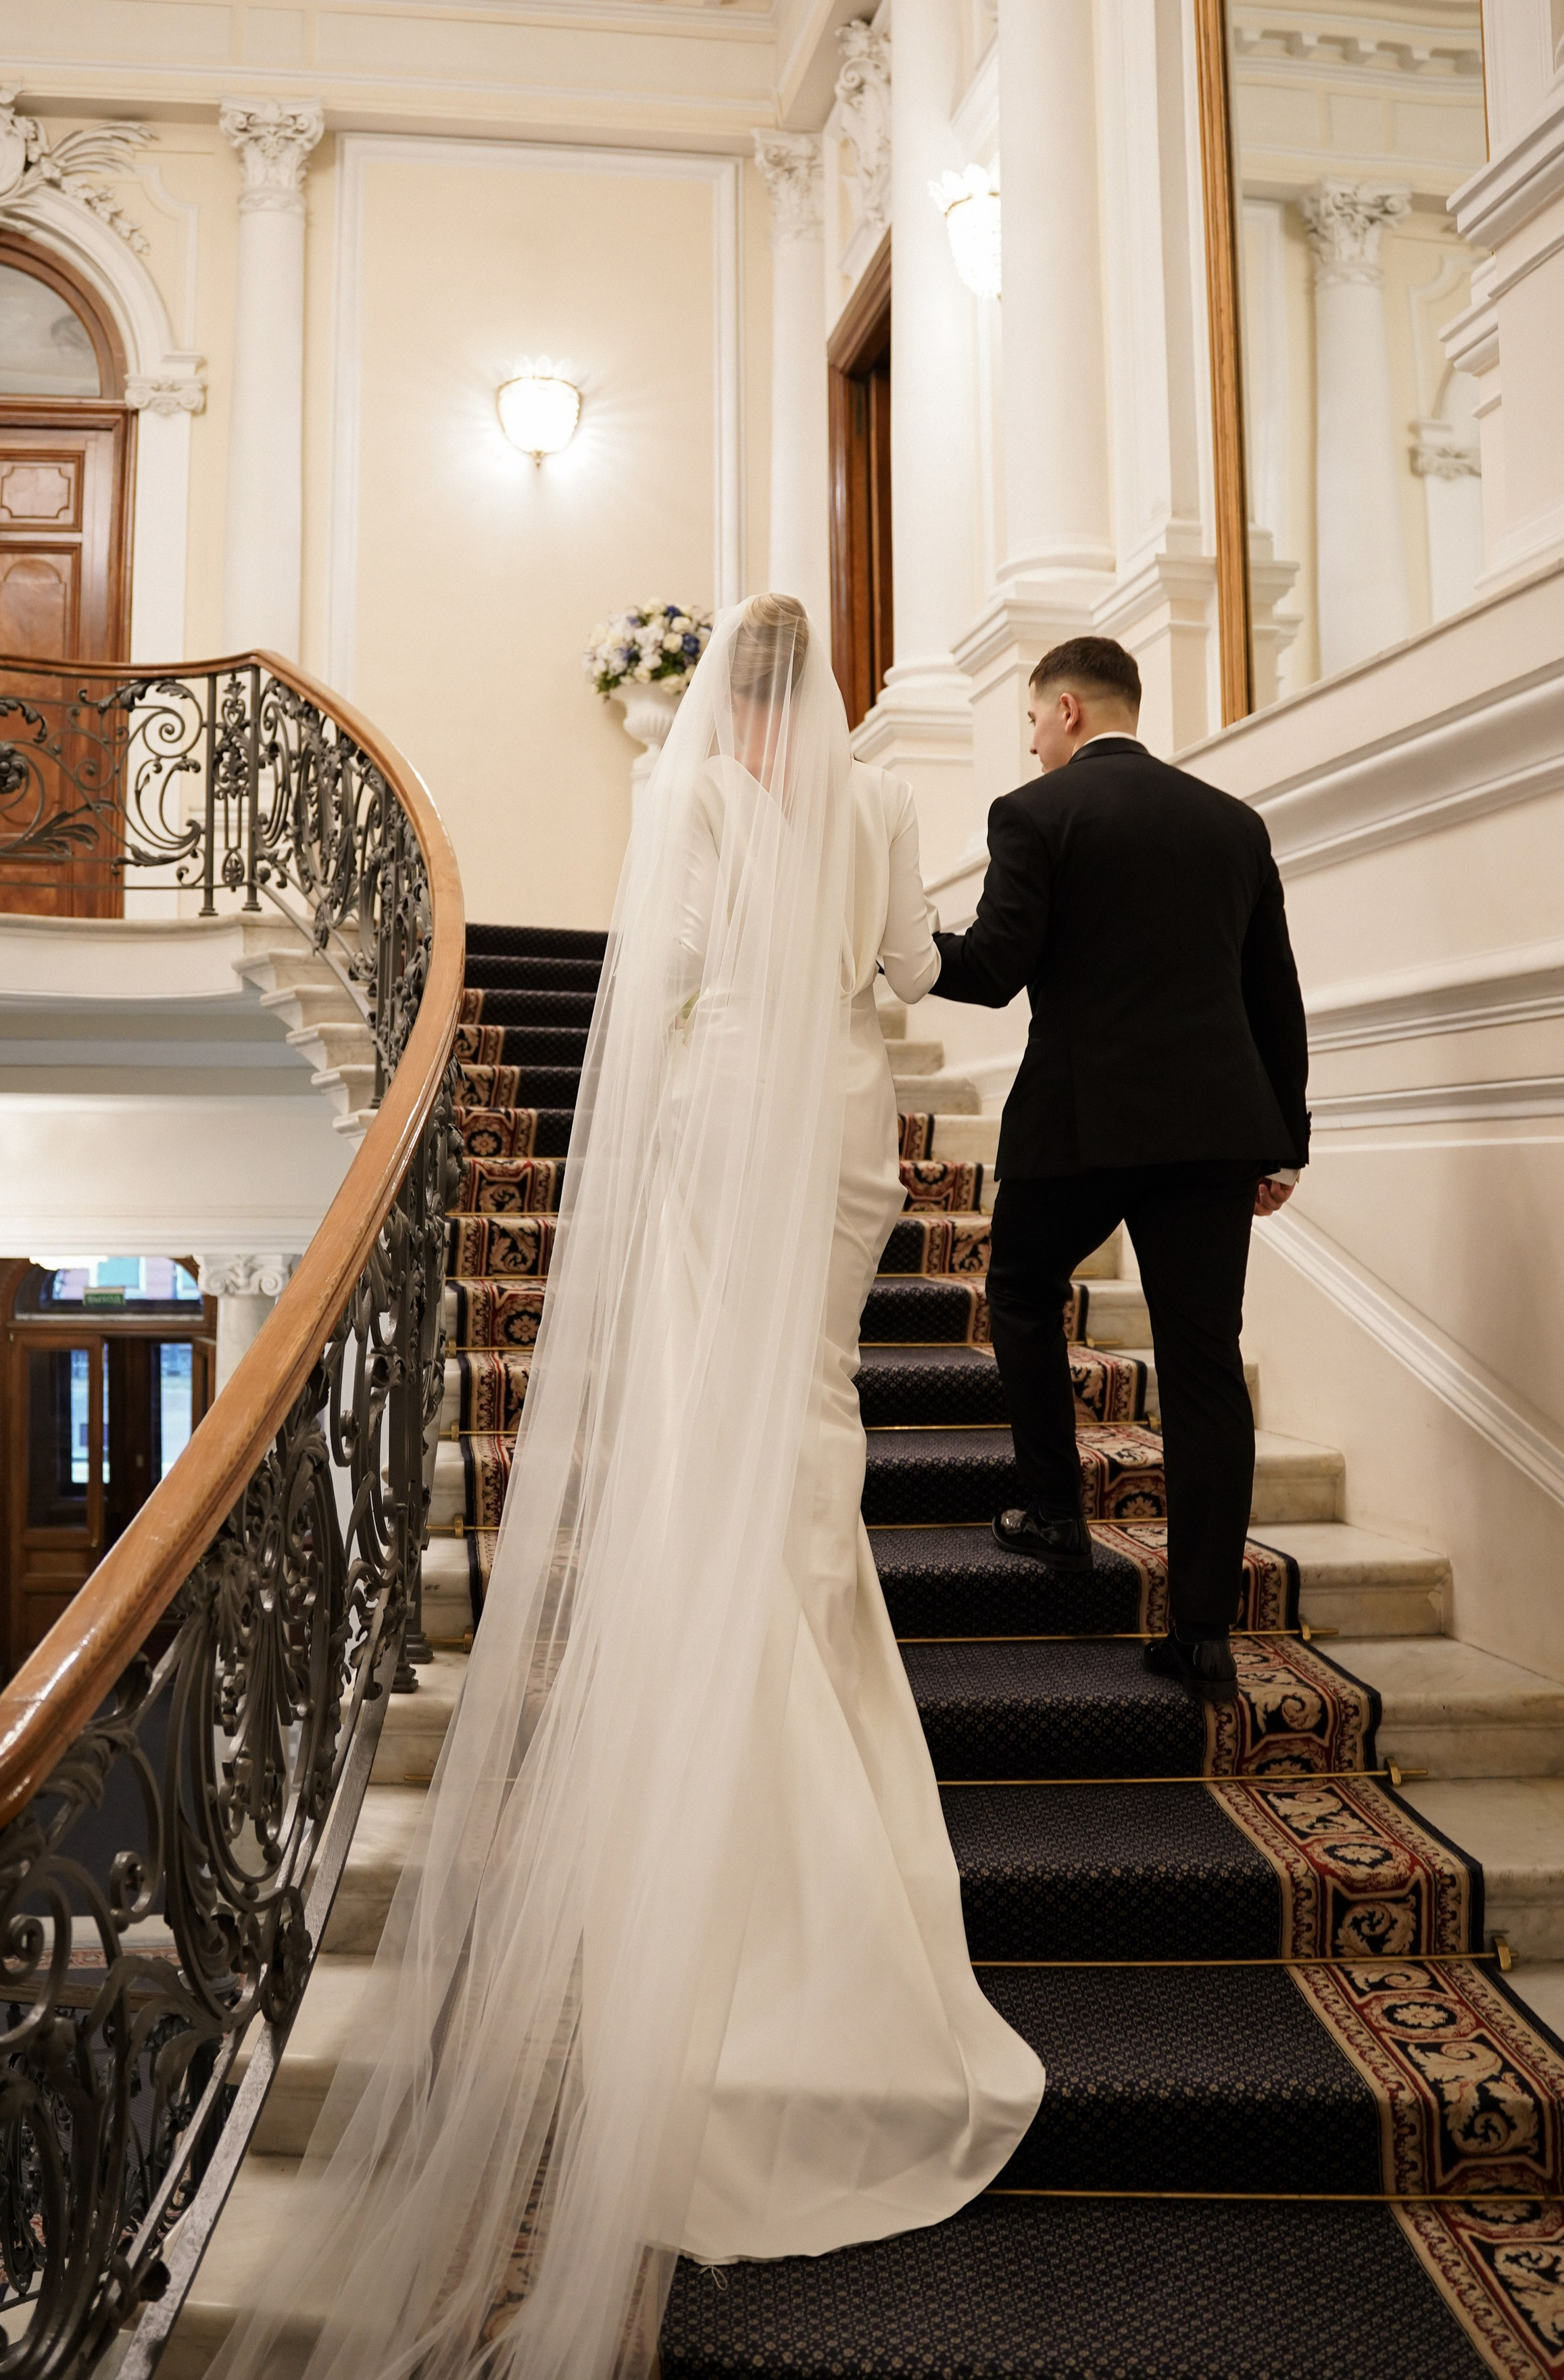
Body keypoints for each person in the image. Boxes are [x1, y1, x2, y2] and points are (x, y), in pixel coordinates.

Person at [212, 598, 1042, 2380]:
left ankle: (720, 1665)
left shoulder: (688, 798)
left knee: (720, 1405)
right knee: (814, 1424)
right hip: (838, 1129)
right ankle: (797, 1636)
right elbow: (905, 977)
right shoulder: (879, 804)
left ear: (706, 696)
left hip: (724, 1109)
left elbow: (655, 987)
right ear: (815, 699)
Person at [931, 635, 1309, 1703]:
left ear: (1066, 709)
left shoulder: (1034, 815)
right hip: (1214, 1131)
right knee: (1204, 1367)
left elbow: (996, 971)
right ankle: (1201, 1633)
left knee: (1018, 1288)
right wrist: (1282, 1137)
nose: (1032, 741)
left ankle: (1055, 1516)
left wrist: (897, 945)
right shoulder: (1232, 823)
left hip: (1082, 1125)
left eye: (1032, 721)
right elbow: (1272, 994)